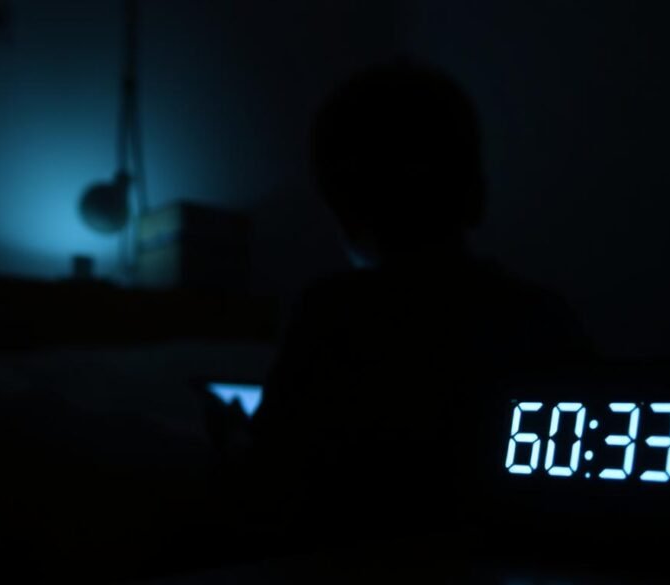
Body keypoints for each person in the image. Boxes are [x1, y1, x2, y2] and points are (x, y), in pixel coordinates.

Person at [247, 60, 592, 551]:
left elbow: (271, 472)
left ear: (342, 208)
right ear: (476, 190)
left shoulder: (330, 312)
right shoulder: (540, 313)